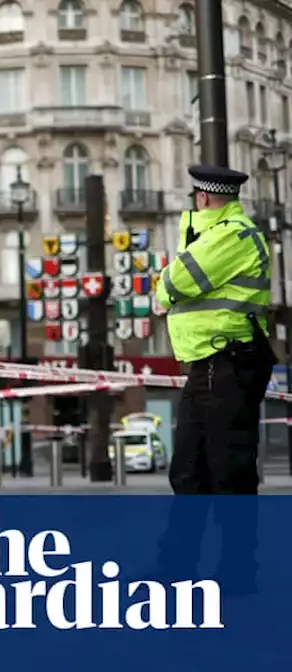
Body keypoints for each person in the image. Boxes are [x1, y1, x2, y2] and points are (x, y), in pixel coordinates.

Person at [149, 164, 275, 593]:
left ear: (202, 198)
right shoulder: (214, 236)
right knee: (188, 471)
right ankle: (177, 566)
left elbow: (174, 283)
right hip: (205, 366)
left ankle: (238, 573)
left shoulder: (233, 236)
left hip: (228, 363)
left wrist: (165, 281)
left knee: (230, 474)